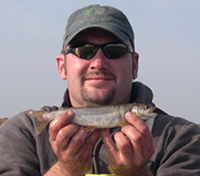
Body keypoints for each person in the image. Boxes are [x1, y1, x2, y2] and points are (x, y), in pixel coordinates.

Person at [0, 4, 200, 176]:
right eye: (83, 50)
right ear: (62, 66)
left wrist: (138, 173)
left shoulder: (184, 139)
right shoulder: (22, 132)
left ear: (135, 65)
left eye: (115, 50)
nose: (98, 63)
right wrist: (65, 170)